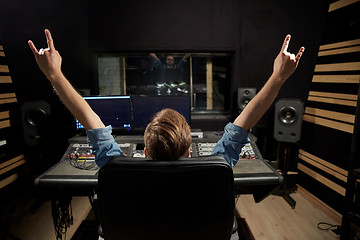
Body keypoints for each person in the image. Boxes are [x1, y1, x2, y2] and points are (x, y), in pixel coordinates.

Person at [28, 29, 304, 168]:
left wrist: (54, 75)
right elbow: (247, 120)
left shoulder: (116, 166)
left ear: (144, 152)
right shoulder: (217, 165)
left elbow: (89, 118)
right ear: (187, 152)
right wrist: (279, 77)